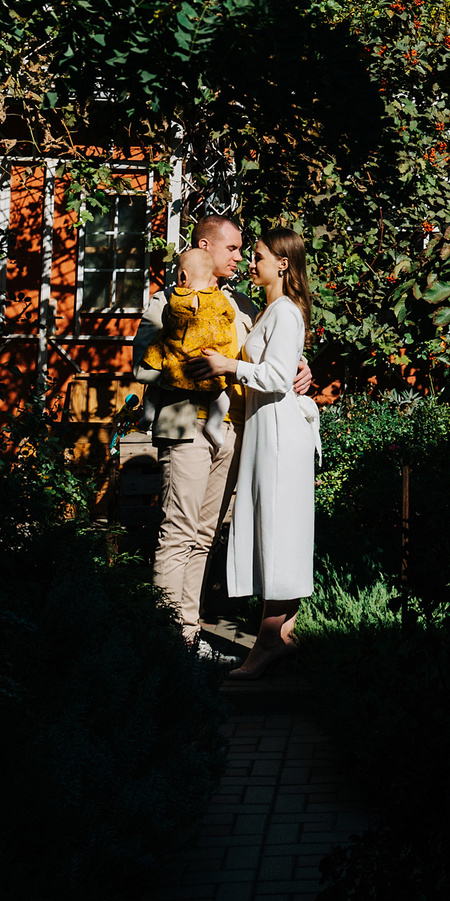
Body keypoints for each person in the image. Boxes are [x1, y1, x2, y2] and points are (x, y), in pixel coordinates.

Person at [138, 214, 312, 651]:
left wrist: (301, 368)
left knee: (205, 535)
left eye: (243, 251)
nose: (239, 258)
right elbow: (144, 363)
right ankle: (163, 640)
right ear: (205, 246)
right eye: (232, 248)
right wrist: (187, 368)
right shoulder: (167, 301)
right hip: (186, 424)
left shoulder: (245, 307)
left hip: (233, 431)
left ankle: (188, 632)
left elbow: (268, 356)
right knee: (179, 531)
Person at [199, 229, 317, 680]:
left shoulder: (284, 311)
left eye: (259, 256)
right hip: (267, 427)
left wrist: (228, 365)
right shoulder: (269, 309)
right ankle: (282, 635)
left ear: (283, 264)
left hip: (280, 433)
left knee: (279, 530)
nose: (251, 263)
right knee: (276, 528)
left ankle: (267, 643)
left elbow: (277, 376)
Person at [145, 248, 242, 449]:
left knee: (155, 380)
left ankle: (147, 414)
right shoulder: (219, 299)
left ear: (183, 276)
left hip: (180, 362)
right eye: (231, 248)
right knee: (223, 391)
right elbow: (230, 315)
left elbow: (170, 317)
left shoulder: (175, 298)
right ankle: (214, 423)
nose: (239, 257)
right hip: (208, 365)